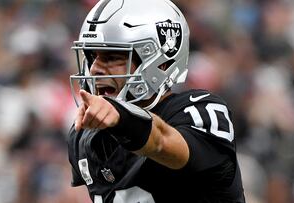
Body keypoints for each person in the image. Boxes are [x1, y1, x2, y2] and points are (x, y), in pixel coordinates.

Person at [67, 0, 246, 202]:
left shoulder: (200, 111)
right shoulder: (86, 135)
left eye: (112, 57)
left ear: (161, 63)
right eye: (92, 56)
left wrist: (121, 118)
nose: (94, 69)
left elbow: (161, 142)